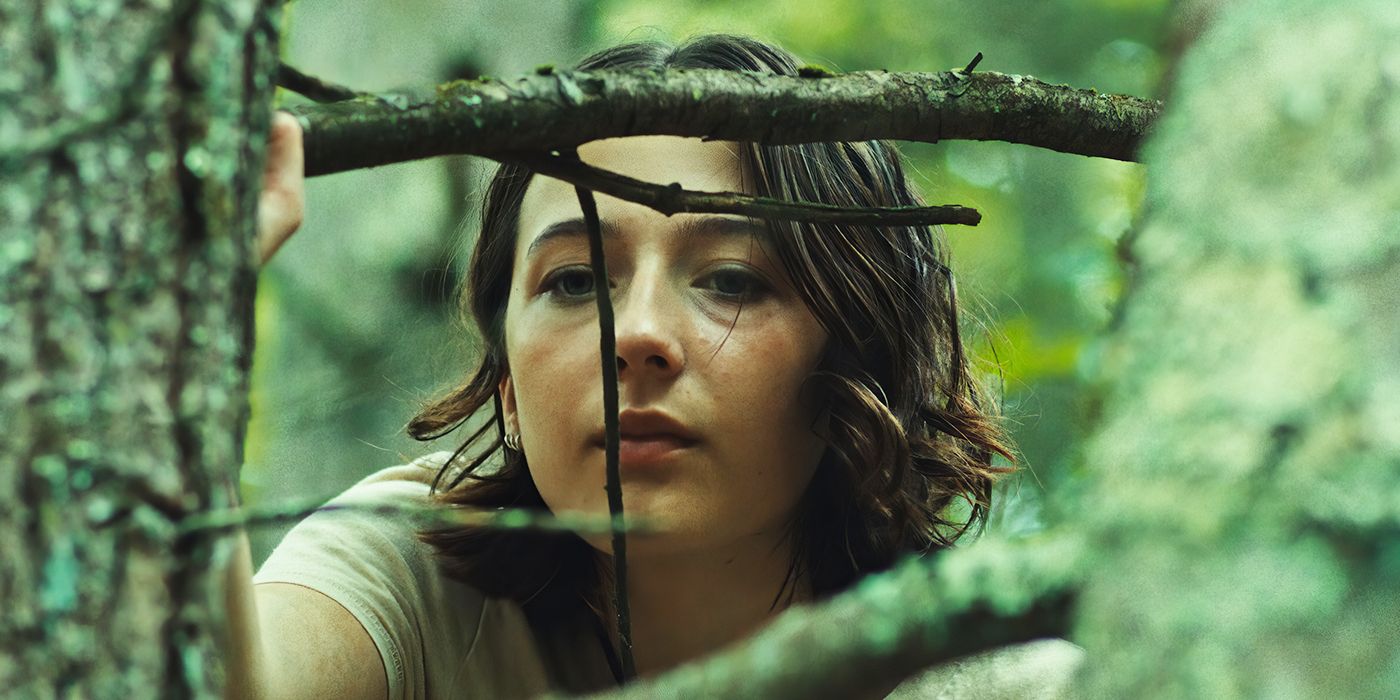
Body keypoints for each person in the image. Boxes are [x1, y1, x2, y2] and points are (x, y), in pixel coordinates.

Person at [232, 33, 1083, 700]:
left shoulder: (1007, 681)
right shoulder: (414, 571)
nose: (633, 335)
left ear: (860, 359)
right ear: (506, 380)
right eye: (572, 282)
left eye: (730, 281)